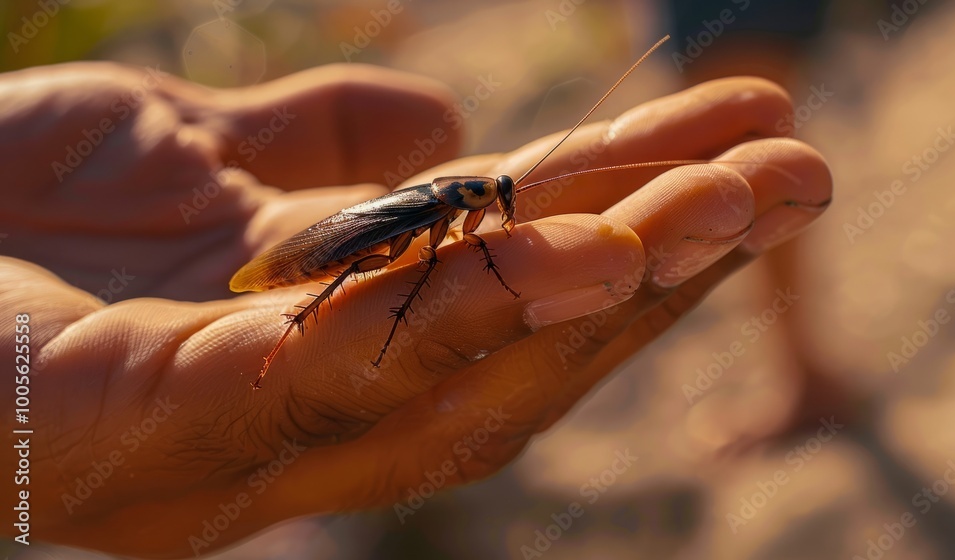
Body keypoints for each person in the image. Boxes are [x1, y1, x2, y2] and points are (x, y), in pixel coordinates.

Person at [0, 59, 831, 557]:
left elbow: (455, 248)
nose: (500, 207)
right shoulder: (448, 212)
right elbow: (431, 253)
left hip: (371, 231)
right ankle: (295, 321)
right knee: (377, 274)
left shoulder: (466, 205)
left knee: (414, 278)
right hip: (344, 241)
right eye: (497, 199)